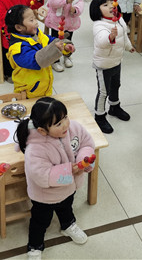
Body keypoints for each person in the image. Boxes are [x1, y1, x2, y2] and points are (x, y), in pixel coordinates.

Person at [14, 97, 95, 259]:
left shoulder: (74, 128)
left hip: (69, 188)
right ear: (42, 130)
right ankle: (35, 245)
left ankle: (68, 225)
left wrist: (82, 160)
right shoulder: (35, 148)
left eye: (65, 117)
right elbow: (42, 175)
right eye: (58, 124)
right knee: (40, 221)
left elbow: (87, 143)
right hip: (45, 197)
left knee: (67, 208)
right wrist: (70, 171)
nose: (65, 124)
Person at [5, 5, 74, 98]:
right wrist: (56, 49)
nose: (36, 22)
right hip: (28, 93)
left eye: (35, 18)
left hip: (44, 88)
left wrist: (64, 47)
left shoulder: (36, 33)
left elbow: (49, 41)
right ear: (19, 27)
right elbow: (38, 61)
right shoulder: (17, 48)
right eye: (31, 20)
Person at [89, 0, 135, 134]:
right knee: (104, 91)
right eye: (105, 5)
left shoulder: (119, 20)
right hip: (103, 64)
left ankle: (114, 107)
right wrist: (110, 37)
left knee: (116, 85)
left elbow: (124, 35)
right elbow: (102, 42)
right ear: (97, 10)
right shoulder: (99, 25)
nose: (110, 6)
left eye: (112, 3)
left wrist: (129, 46)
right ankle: (99, 116)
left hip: (116, 61)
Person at [0, 0, 45, 79]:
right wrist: (15, 17)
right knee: (10, 52)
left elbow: (34, 4)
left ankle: (27, 68)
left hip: (26, 30)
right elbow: (0, 16)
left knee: (26, 49)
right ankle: (9, 73)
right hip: (10, 32)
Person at [45, 0, 84, 72]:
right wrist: (65, 1)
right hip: (56, 24)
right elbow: (53, 2)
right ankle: (55, 60)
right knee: (56, 42)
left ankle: (67, 56)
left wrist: (75, 9)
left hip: (70, 23)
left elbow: (80, 3)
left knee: (68, 41)